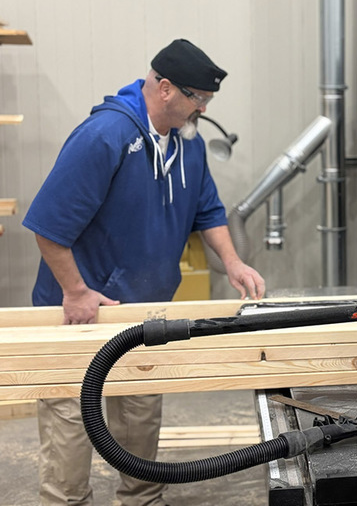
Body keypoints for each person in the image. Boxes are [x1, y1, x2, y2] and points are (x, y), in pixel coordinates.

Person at [23, 38, 266, 506]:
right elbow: (48, 227)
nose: (203, 110)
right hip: (81, 315)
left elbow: (208, 210)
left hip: (143, 313)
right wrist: (75, 291)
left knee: (139, 420)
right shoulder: (105, 136)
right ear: (167, 90)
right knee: (71, 430)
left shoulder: (186, 146)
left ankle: (140, 500)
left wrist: (232, 262)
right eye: (200, 99)